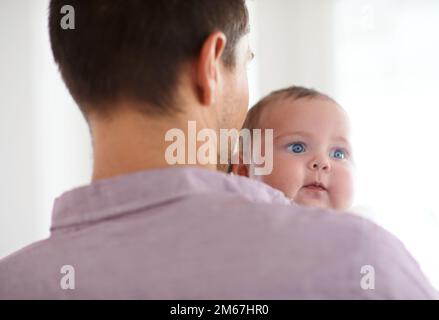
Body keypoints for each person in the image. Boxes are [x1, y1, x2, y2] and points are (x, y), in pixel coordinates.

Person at [0, 0, 437, 299]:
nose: (322, 162)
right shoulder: (360, 261)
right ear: (211, 65)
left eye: (340, 152)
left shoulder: (14, 283)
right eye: (247, 62)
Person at [232, 86, 354, 211]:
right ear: (244, 172)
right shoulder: (240, 224)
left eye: (338, 154)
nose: (323, 162)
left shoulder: (362, 226)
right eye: (298, 148)